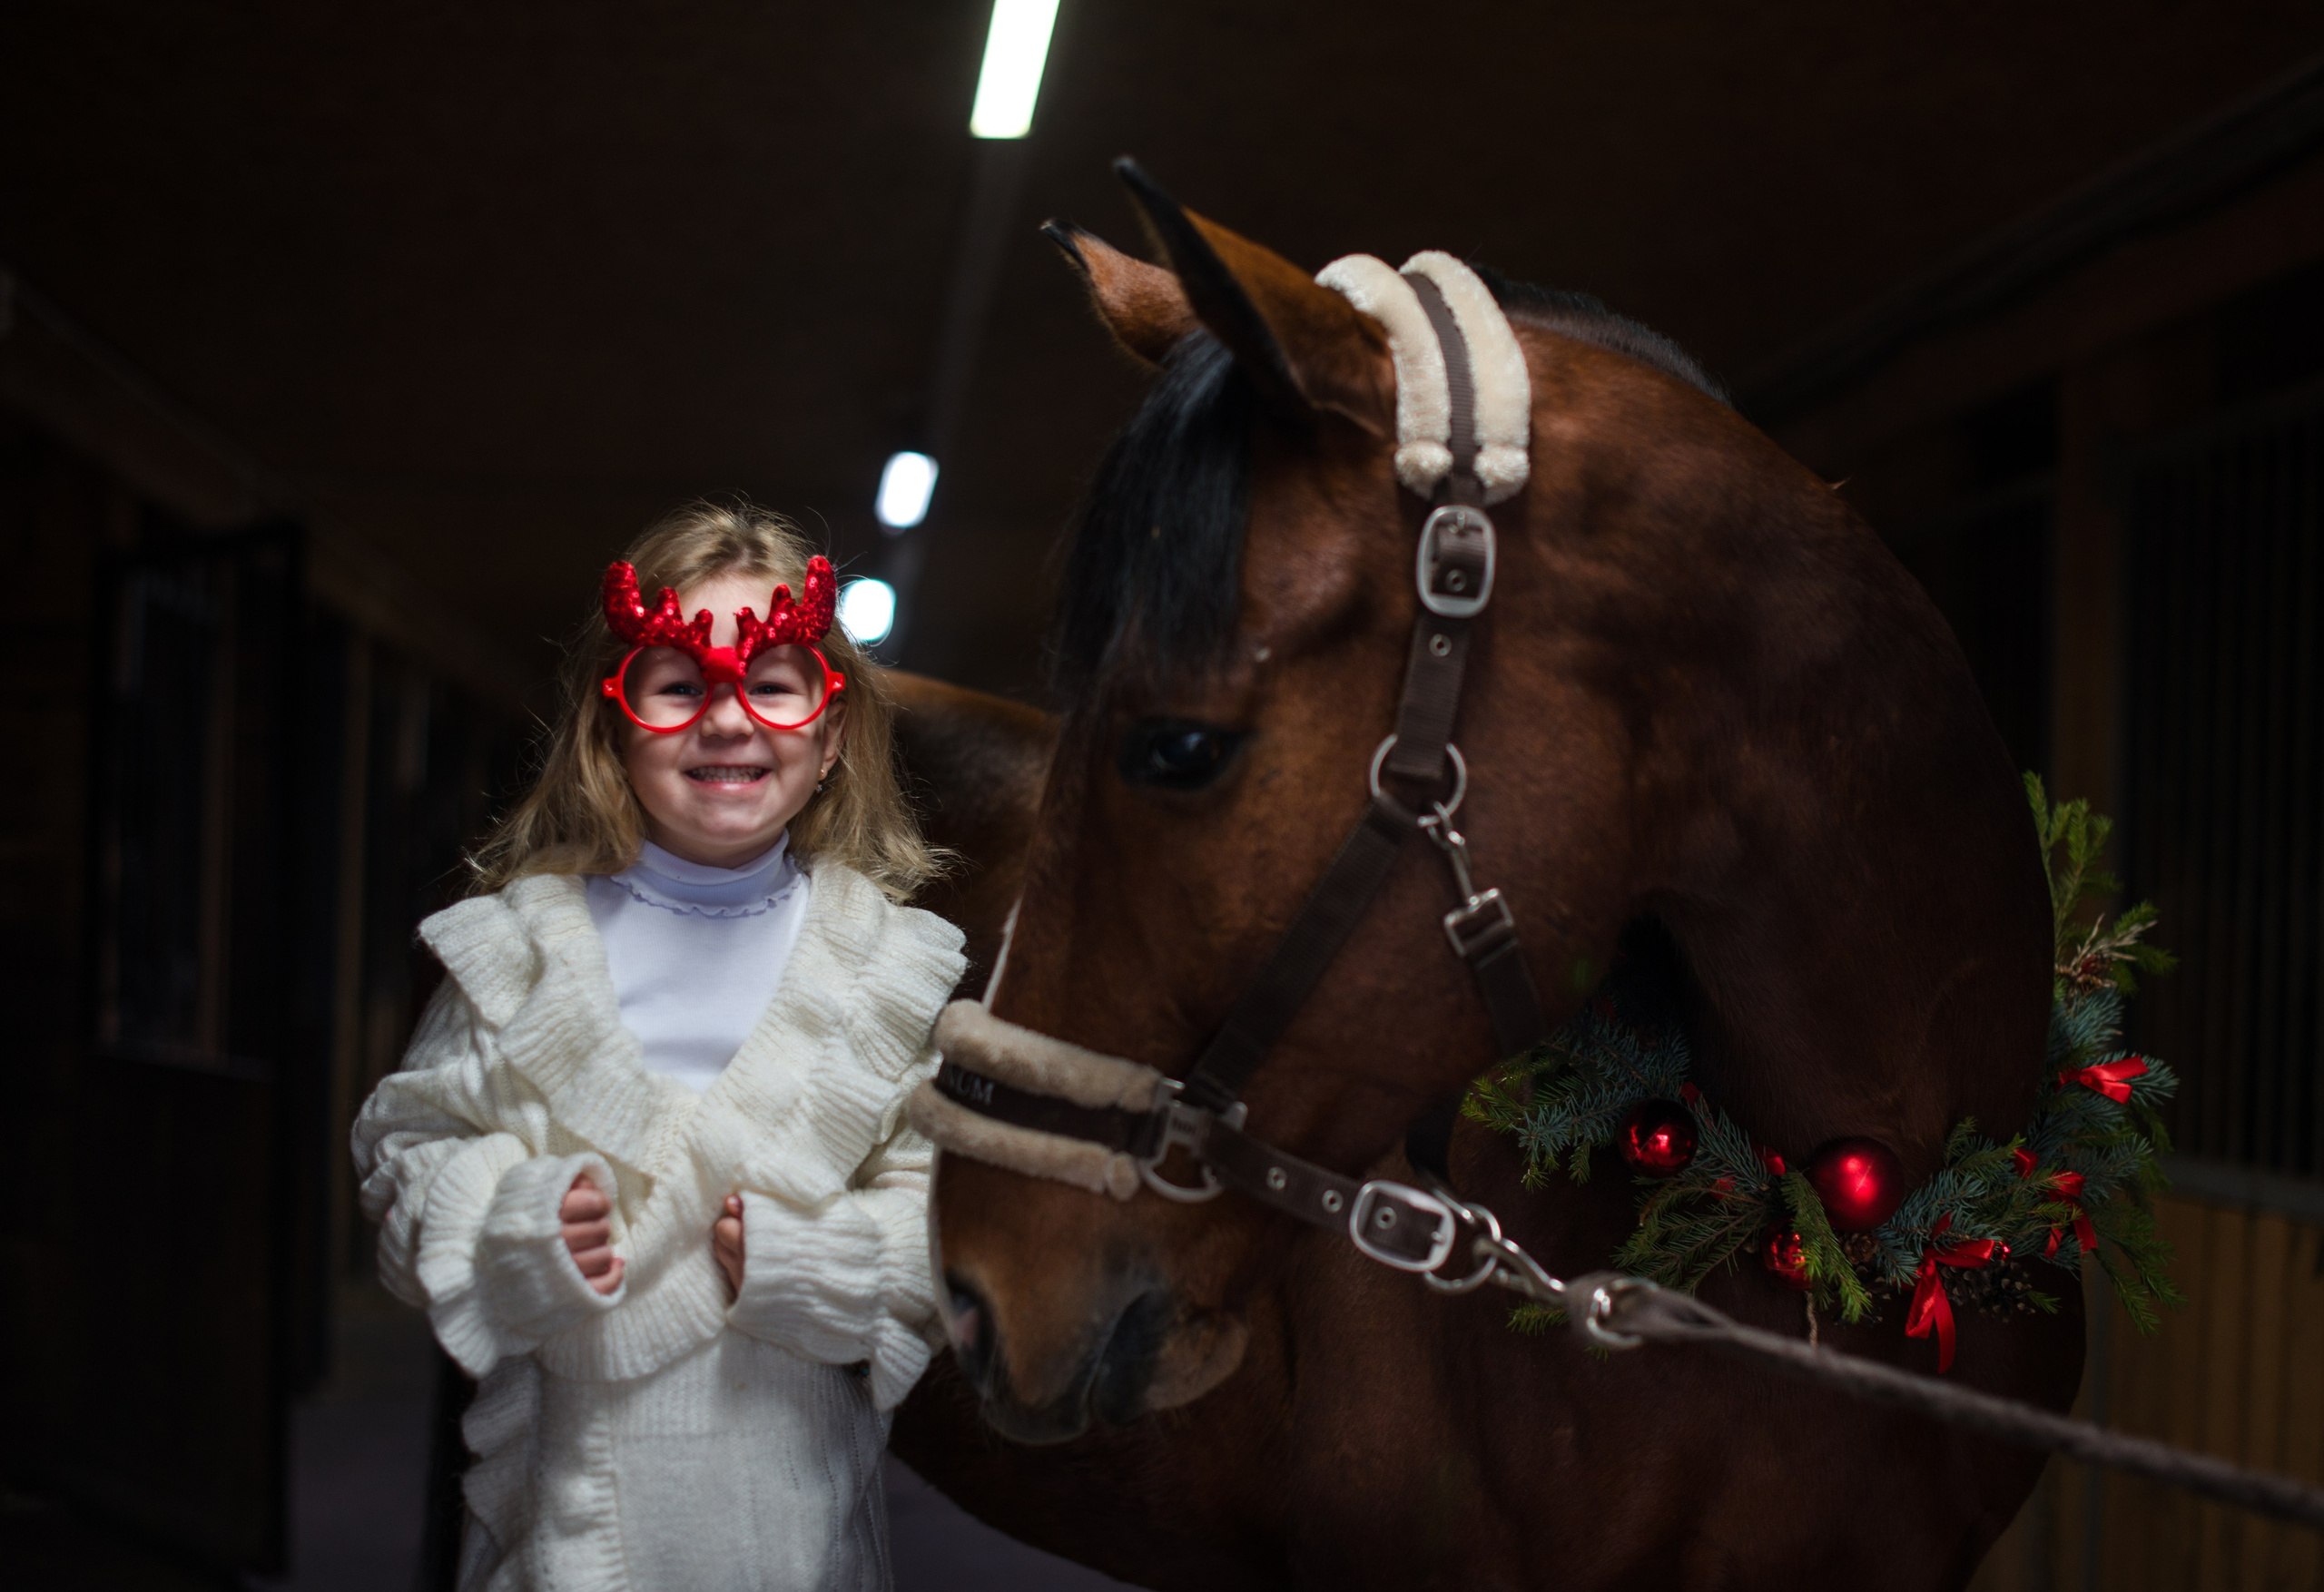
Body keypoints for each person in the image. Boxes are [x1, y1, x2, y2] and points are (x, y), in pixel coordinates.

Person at [352, 503, 962, 1592]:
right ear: (614, 723)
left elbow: (950, 1221)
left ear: (831, 734)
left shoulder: (891, 977)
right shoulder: (513, 958)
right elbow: (404, 1158)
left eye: (771, 684)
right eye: (679, 685)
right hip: (560, 1533)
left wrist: (820, 1263)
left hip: (796, 1537)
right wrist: (516, 1222)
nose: (727, 720)